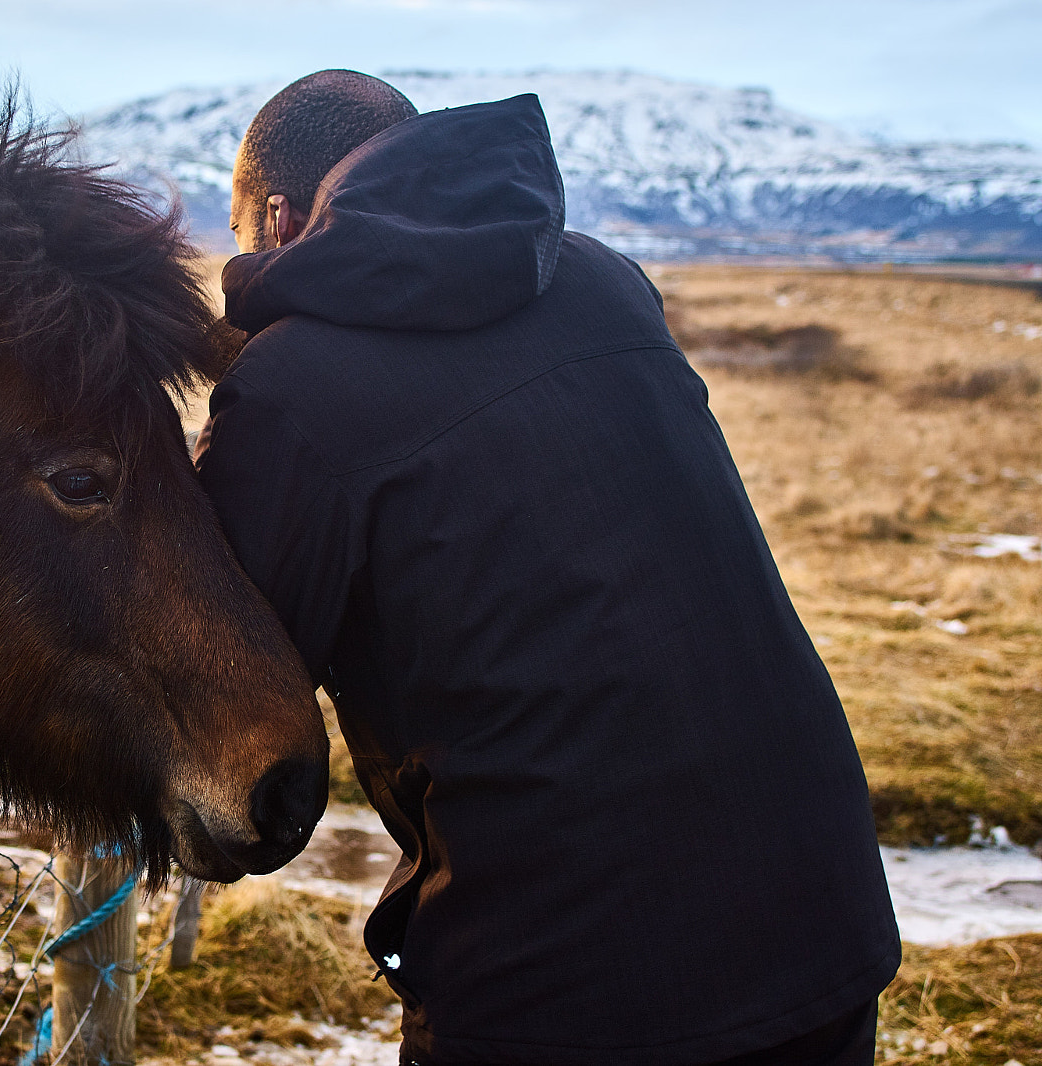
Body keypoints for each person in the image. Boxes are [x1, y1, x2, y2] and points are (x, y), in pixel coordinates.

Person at [194, 70, 900, 1066]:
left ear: (275, 219)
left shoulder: (292, 384)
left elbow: (222, 672)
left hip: (564, 972)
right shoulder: (602, 279)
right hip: (815, 912)